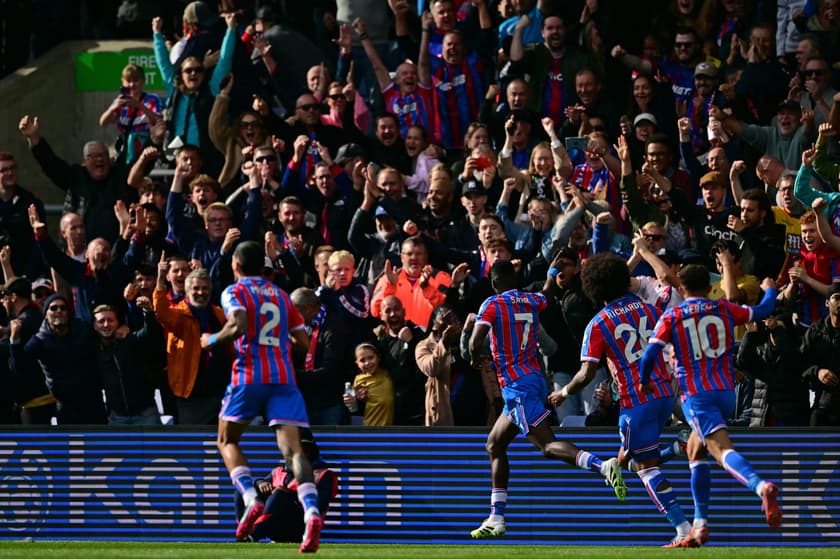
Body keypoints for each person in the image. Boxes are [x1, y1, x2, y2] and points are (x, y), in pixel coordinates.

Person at [467, 260, 626, 539]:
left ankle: (602, 466)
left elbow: (475, 341)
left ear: (493, 283)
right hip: (535, 379)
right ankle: (496, 517)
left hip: (517, 386)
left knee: (547, 446)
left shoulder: (491, 304)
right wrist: (552, 270)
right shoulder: (531, 300)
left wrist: (472, 356)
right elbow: (549, 293)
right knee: (494, 444)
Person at [549, 253, 692, 547]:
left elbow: (586, 374)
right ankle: (678, 447)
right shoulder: (649, 309)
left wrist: (563, 392)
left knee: (646, 468)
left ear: (592, 288)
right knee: (626, 459)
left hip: (635, 402)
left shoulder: (597, 324)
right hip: (665, 394)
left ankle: (683, 529)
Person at [639, 264, 782, 546]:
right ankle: (700, 525)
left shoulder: (674, 315)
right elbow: (763, 312)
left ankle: (760, 485)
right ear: (708, 287)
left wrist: (644, 382)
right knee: (695, 450)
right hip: (726, 392)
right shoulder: (724, 309)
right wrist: (770, 290)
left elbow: (649, 354)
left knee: (721, 450)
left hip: (697, 394)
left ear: (682, 289)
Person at [200, 240, 322, 551]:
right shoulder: (282, 296)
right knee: (295, 453)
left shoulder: (234, 291)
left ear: (236, 266)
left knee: (226, 440)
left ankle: (251, 498)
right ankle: (311, 512)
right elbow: (304, 344)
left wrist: (209, 340)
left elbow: (238, 325)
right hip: (283, 378)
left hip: (249, 375)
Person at [233, 429, 338, 543]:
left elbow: (319, 505)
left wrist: (288, 494)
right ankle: (244, 532)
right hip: (275, 524)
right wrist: (260, 483)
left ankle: (253, 535)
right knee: (245, 490)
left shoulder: (323, 475)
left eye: (303, 448)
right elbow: (261, 483)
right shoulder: (278, 471)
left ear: (311, 451)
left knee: (280, 495)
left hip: (300, 527)